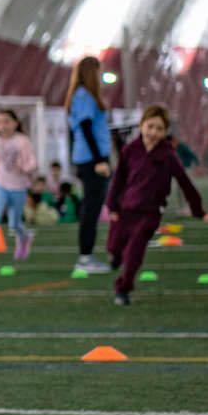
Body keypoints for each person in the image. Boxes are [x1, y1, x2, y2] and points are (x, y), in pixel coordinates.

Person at [103, 104, 206, 305]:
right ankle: (115, 256)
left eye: (159, 129)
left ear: (165, 132)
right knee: (114, 246)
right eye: (150, 126)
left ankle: (123, 289)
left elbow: (185, 182)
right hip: (125, 210)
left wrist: (198, 210)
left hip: (149, 214)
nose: (153, 132)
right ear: (141, 126)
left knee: (133, 255)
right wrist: (113, 206)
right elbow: (118, 180)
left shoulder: (168, 155)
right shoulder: (129, 150)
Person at [64, 56, 113, 274]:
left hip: (89, 157)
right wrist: (99, 160)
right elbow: (84, 127)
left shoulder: (83, 95)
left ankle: (87, 256)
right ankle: (85, 258)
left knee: (92, 207)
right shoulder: (84, 95)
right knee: (91, 209)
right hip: (92, 159)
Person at [0, 108, 38, 269]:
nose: (3, 126)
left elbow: (32, 161)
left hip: (18, 187)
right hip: (1, 184)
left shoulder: (22, 141)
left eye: (6, 121)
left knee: (14, 223)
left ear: (15, 123)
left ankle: (24, 237)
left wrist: (27, 168)